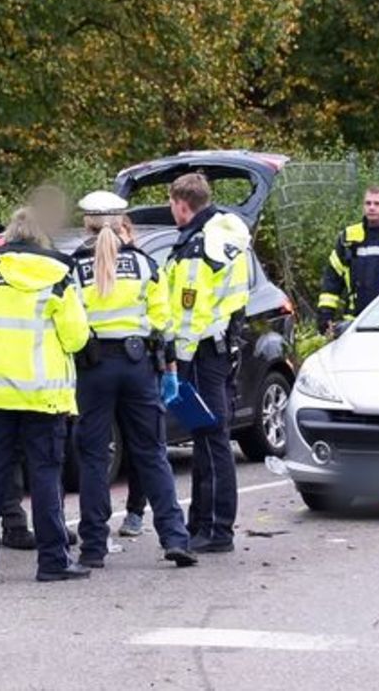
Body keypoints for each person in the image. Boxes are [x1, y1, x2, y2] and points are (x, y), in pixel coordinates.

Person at [0, 208, 92, 582]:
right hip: (43, 396)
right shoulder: (60, 276)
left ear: (9, 236)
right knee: (45, 477)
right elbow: (77, 337)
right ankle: (52, 562)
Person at [70, 190, 197, 569]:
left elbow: (70, 325)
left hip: (92, 368)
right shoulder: (144, 265)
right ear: (122, 222)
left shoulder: (73, 268)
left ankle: (93, 546)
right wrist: (169, 368)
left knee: (94, 458)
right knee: (152, 452)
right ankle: (175, 538)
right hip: (138, 365)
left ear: (87, 224)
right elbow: (164, 321)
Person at [162, 174, 252, 553]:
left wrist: (175, 359)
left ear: (182, 204)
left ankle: (216, 529)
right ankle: (202, 521)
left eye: (171, 204)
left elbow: (189, 311)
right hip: (218, 347)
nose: (171, 211)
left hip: (199, 351)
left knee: (212, 438)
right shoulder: (224, 236)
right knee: (205, 438)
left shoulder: (199, 248)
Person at [316, 186, 379, 335]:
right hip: (355, 322)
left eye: (377, 204)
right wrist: (325, 312)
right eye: (368, 203)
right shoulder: (349, 237)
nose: (371, 208)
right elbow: (332, 278)